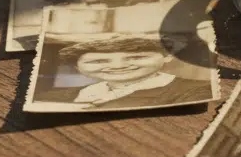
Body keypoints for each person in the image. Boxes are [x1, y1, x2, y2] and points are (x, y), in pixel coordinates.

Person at [34, 33, 214, 110]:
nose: (118, 66)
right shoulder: (56, 97)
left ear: (167, 56)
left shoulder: (195, 91)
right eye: (98, 60)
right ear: (76, 67)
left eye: (136, 57)